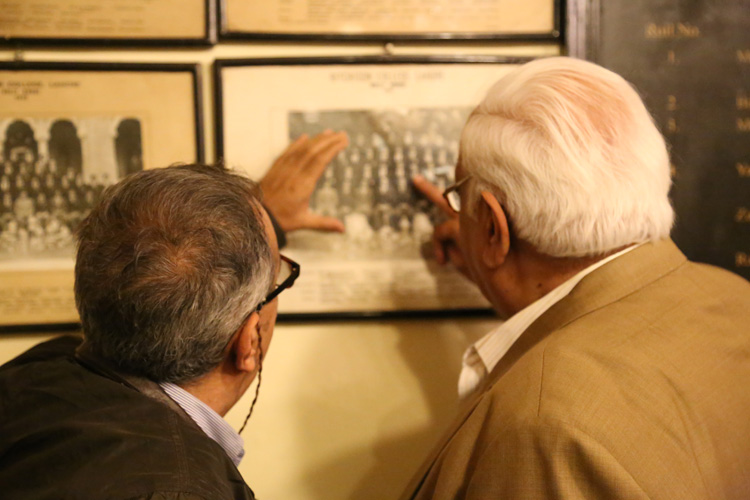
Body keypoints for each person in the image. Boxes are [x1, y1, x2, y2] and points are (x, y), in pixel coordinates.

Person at [404, 57, 750, 500]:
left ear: (493, 228)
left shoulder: (545, 429)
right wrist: (496, 263)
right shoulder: (732, 296)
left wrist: (492, 252)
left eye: (458, 197)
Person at [0, 131, 348, 499]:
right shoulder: (182, 490)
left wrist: (259, 224)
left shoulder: (36, 370)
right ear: (248, 342)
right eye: (279, 282)